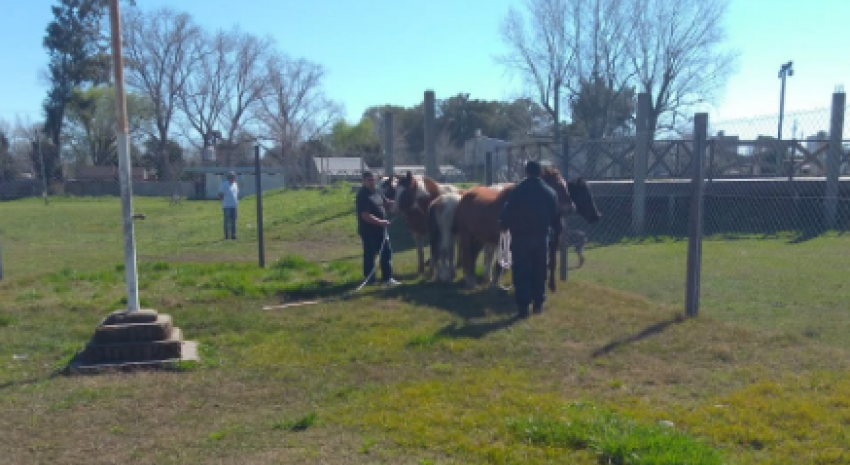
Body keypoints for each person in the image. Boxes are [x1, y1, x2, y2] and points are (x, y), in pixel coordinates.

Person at [499, 160, 562, 317]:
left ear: (526, 172)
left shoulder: (517, 191)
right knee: (539, 269)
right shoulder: (550, 192)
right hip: (541, 238)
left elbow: (506, 214)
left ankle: (523, 306)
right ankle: (538, 303)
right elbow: (556, 217)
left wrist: (504, 224)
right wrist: (555, 231)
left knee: (521, 271)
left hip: (520, 238)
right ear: (541, 173)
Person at [356, 171, 400, 287]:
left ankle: (387, 278)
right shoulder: (363, 195)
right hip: (369, 231)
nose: (372, 182)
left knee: (386, 253)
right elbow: (365, 215)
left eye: (373, 180)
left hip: (381, 230)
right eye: (369, 180)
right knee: (370, 255)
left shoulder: (377, 192)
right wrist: (380, 222)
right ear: (364, 181)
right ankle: (370, 279)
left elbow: (386, 203)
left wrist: (398, 203)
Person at [218, 171, 239, 240]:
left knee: (234, 221)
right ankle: (226, 236)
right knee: (226, 221)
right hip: (227, 206)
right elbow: (220, 194)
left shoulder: (235, 184)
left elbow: (236, 194)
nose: (234, 178)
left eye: (234, 177)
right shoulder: (224, 184)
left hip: (234, 206)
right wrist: (222, 201)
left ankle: (233, 235)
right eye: (232, 177)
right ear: (229, 177)